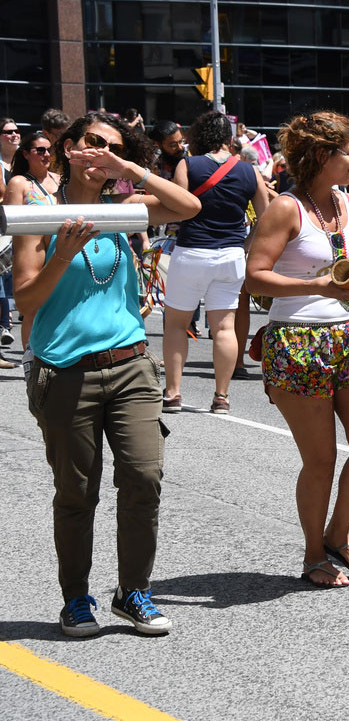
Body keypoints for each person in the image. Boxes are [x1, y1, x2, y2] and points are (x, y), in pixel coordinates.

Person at [13, 111, 201, 635]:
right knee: (77, 492)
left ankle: (133, 591)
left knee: (144, 477)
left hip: (130, 366)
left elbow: (190, 206)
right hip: (66, 370)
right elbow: (26, 301)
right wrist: (61, 254)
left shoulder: (127, 207)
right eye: (92, 142)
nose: (100, 152)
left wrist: (129, 167)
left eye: (112, 146)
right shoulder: (38, 213)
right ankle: (76, 598)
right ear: (68, 147)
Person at [245, 110, 349, 588]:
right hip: (297, 340)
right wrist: (320, 286)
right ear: (323, 155)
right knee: (321, 457)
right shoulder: (286, 208)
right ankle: (313, 554)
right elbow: (255, 276)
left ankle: (338, 532)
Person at [160, 112, 266, 414]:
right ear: (229, 138)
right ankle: (222, 396)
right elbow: (265, 214)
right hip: (231, 255)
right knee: (224, 328)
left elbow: (178, 207)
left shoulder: (188, 164)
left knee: (177, 325)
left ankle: (173, 393)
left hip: (192, 251)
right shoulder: (249, 171)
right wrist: (246, 243)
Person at [4, 131, 62, 357]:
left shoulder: (59, 179)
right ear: (26, 154)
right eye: (40, 150)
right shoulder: (19, 182)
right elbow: (11, 223)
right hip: (31, 254)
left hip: (60, 249)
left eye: (49, 150)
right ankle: (31, 357)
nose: (46, 154)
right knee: (34, 308)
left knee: (60, 302)